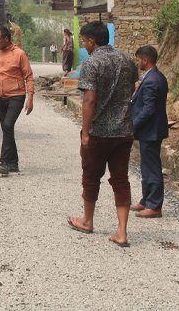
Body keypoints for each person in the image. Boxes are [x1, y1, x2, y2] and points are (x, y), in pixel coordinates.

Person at [67, 21, 138, 248]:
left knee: (90, 177)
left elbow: (89, 99)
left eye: (84, 41)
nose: (84, 45)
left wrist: (85, 132)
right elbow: (132, 89)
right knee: (120, 179)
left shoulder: (92, 63)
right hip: (124, 131)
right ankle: (122, 232)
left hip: (99, 131)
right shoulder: (128, 60)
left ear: (92, 41)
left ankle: (87, 221)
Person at [0, 26, 34, 176]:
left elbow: (29, 77)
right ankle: (14, 163)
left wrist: (30, 98)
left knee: (7, 125)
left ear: (6, 39)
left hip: (17, 96)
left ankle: (4, 163)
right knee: (7, 129)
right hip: (1, 97)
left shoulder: (20, 54)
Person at [130, 45, 169, 218]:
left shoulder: (153, 80)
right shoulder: (154, 77)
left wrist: (133, 126)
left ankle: (154, 205)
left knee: (152, 167)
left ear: (145, 60)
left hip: (151, 131)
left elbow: (148, 109)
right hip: (150, 130)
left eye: (138, 59)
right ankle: (146, 200)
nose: (137, 62)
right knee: (146, 166)